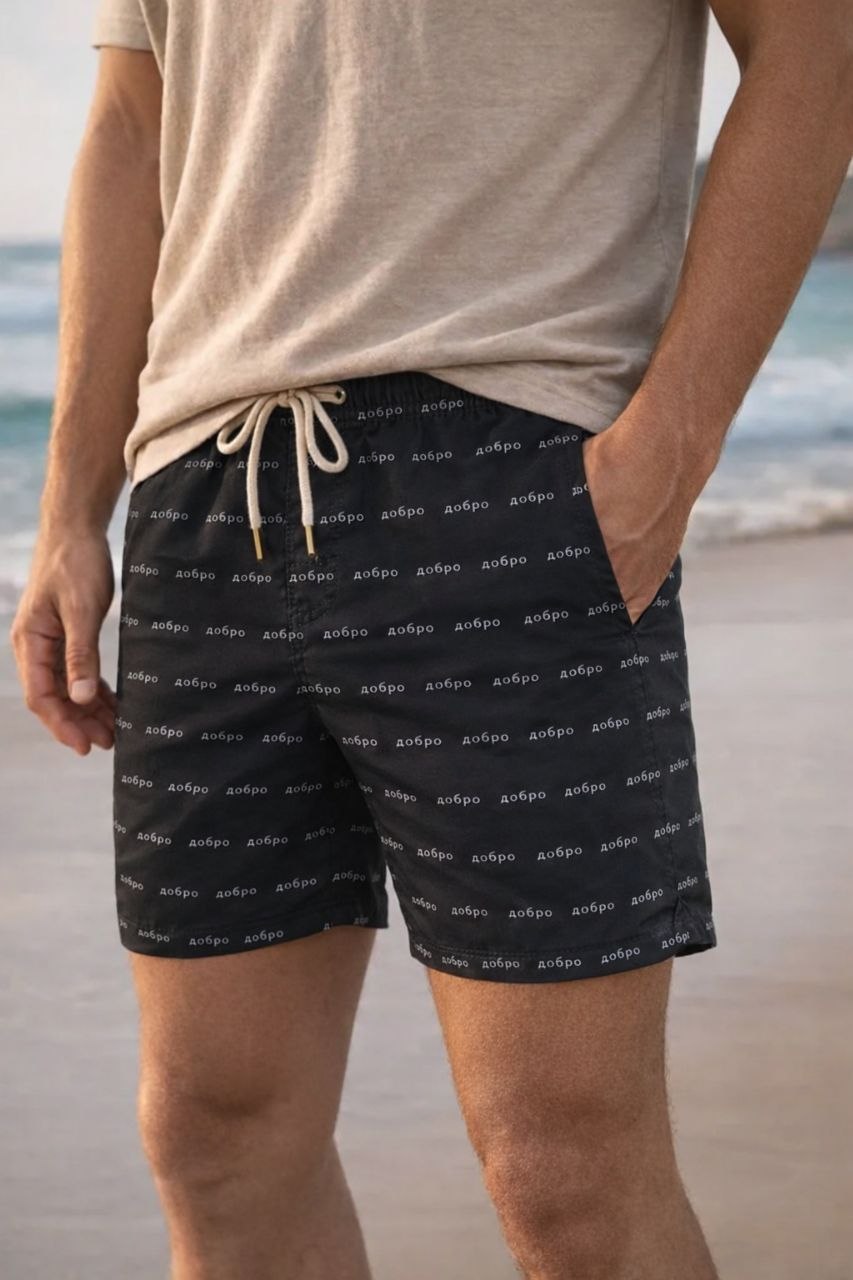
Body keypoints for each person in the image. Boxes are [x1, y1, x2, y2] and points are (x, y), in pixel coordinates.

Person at [10, 0, 852, 1275]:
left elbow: (814, 46)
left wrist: (668, 450)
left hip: (507, 467)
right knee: (215, 1136)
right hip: (203, 490)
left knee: (564, 1166)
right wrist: (72, 507)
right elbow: (133, 125)